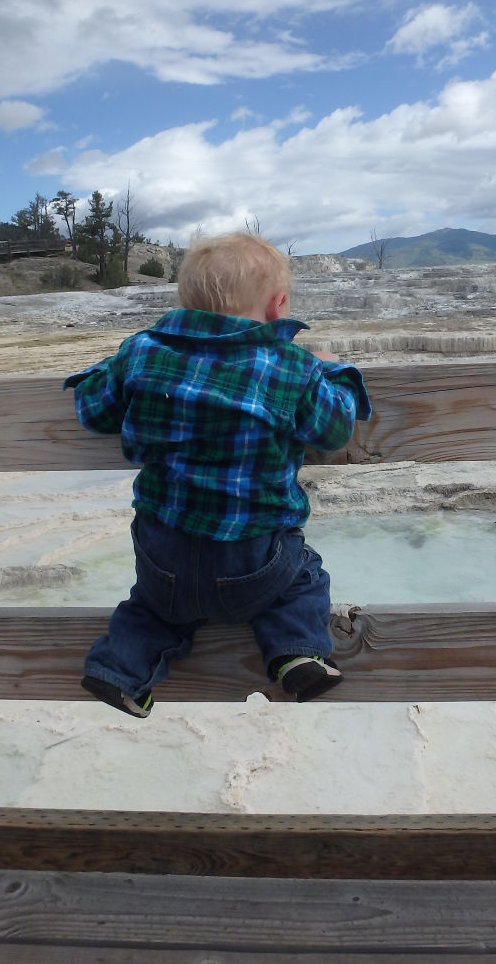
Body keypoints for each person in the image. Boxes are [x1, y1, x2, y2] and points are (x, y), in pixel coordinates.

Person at [64, 231, 371, 715]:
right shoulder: (292, 368)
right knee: (302, 579)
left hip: (162, 558)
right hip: (255, 560)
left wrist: (117, 367)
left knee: (151, 608)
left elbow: (94, 410)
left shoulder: (142, 353)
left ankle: (120, 673)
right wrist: (331, 372)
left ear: (186, 301)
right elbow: (334, 431)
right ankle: (296, 654)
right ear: (279, 305)